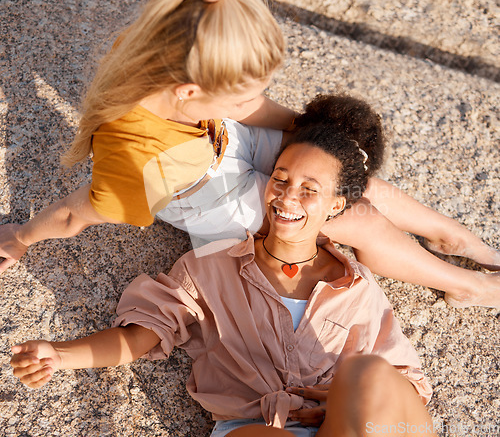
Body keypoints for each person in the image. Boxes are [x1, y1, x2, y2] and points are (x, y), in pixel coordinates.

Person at [0, 0, 498, 309]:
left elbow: (187, 20)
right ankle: (463, 283)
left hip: (222, 143)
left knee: (347, 178)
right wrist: (20, 238)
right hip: (211, 197)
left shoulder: (161, 48)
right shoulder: (138, 163)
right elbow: (72, 214)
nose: (255, 104)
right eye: (241, 99)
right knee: (355, 217)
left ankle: (452, 236)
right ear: (191, 92)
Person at [10, 108, 437, 436]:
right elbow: (139, 337)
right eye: (281, 179)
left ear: (337, 207)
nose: (287, 197)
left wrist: (341, 398)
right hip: (259, 426)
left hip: (353, 425)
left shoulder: (358, 286)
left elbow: (408, 385)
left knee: (363, 373)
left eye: (310, 190)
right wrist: (60, 355)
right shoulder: (209, 269)